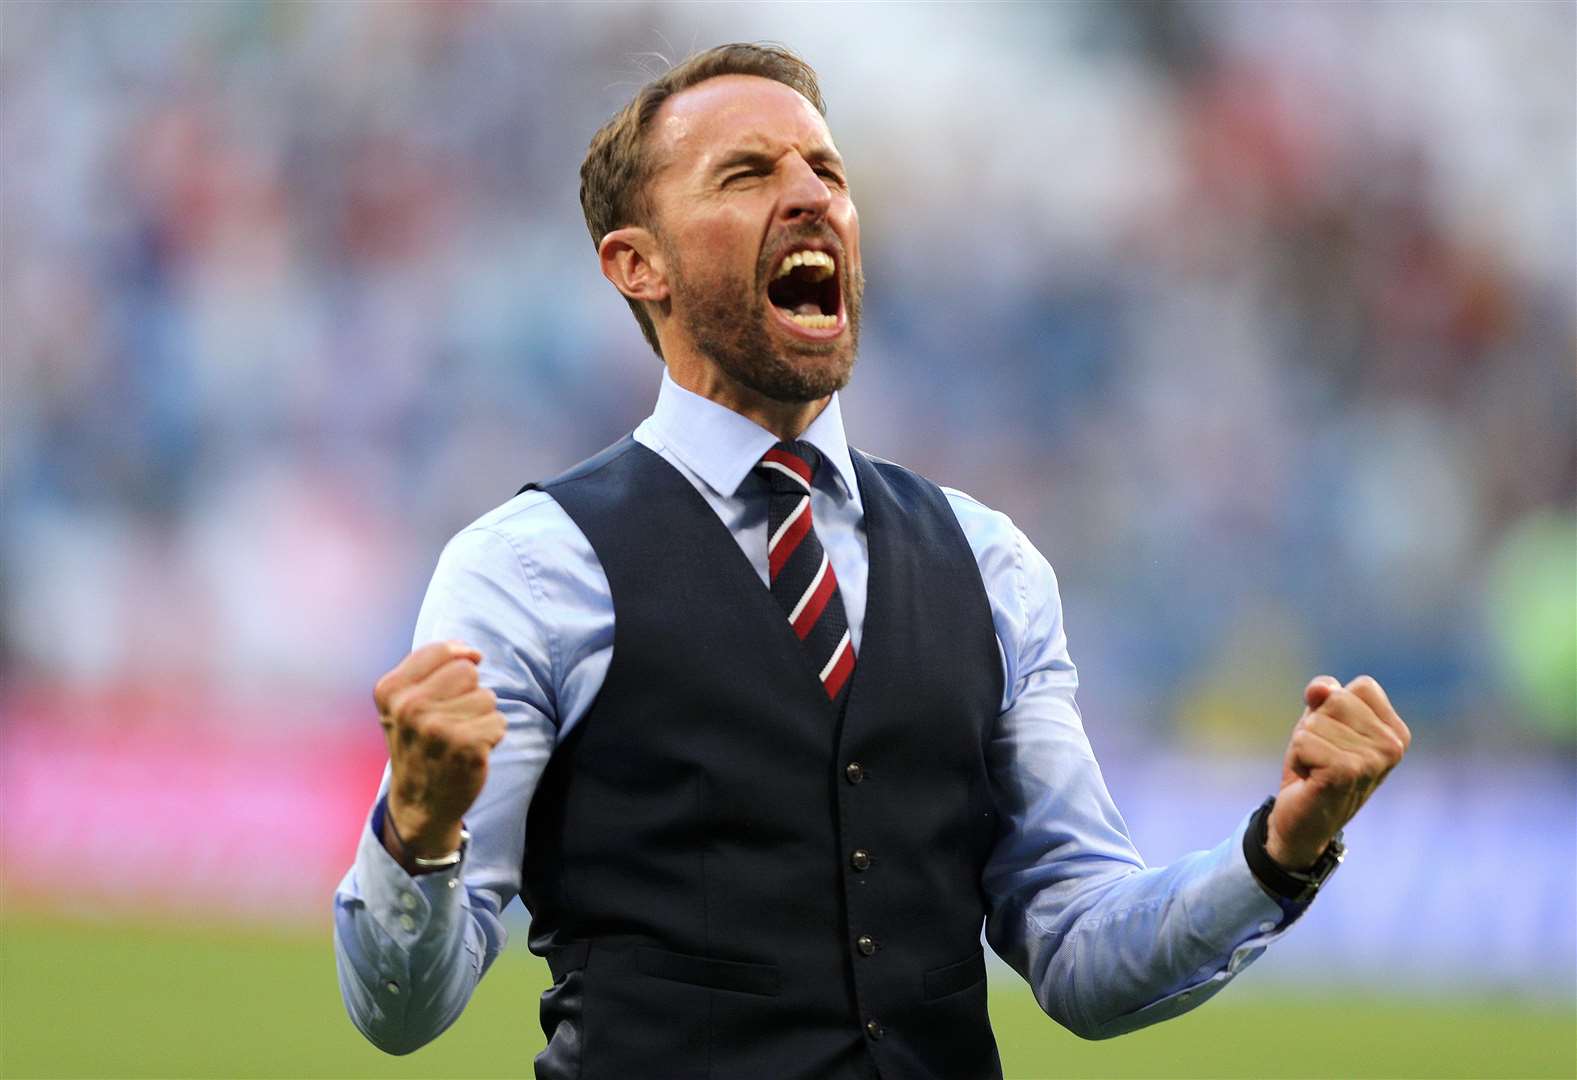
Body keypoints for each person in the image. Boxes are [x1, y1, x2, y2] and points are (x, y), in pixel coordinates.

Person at [332, 43, 1411, 1080]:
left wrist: (1277, 850)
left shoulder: (989, 564)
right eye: (747, 173)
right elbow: (402, 1011)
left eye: (826, 171)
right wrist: (415, 832)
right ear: (636, 262)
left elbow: (1081, 949)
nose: (809, 196)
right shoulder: (528, 569)